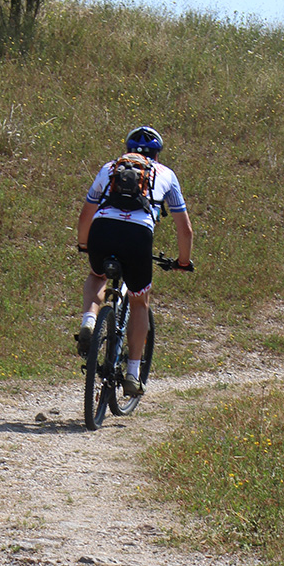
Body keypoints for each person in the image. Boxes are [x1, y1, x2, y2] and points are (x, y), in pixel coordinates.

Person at [76, 126, 193, 397]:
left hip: (102, 229)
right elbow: (184, 228)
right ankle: (132, 373)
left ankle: (89, 321)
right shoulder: (166, 175)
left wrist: (84, 243)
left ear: (127, 149)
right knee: (140, 301)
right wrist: (183, 262)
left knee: (97, 276)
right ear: (157, 153)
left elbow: (85, 214)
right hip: (138, 235)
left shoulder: (109, 168)